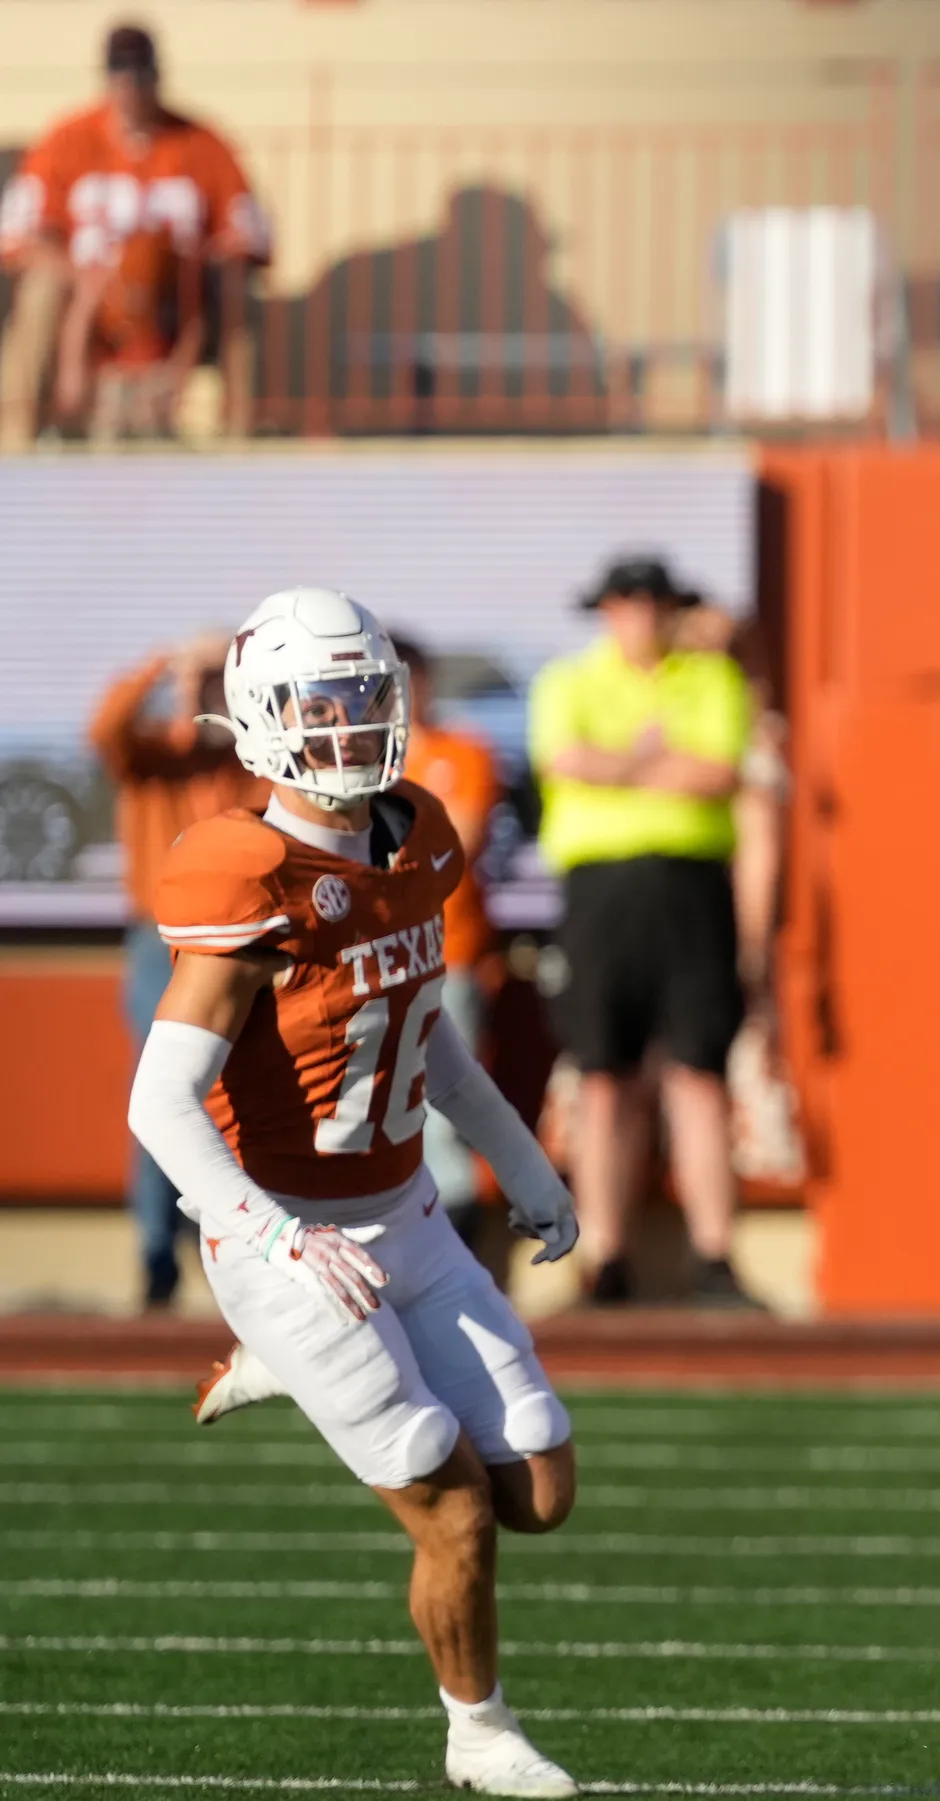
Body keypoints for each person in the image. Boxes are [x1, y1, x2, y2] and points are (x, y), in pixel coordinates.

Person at [127, 588, 583, 1798]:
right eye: (316, 705)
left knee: (537, 1487)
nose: (347, 725)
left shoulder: (418, 833)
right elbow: (158, 1103)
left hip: (405, 1215)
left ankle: (288, 1359)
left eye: (362, 695)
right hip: (284, 1232)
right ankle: (477, 1732)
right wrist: (270, 1238)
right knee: (453, 1510)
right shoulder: (248, 871)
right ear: (260, 719)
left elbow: (427, 1041)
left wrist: (522, 1165)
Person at [527, 556, 755, 1306]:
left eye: (655, 605)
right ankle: (607, 1256)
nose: (642, 621)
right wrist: (654, 758)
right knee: (603, 1077)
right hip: (602, 893)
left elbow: (719, 772)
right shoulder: (568, 680)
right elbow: (565, 759)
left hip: (690, 888)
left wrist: (620, 764)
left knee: (700, 1072)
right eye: (627, 605)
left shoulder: (711, 678)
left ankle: (714, 1255)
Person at [87, 632, 266, 1307]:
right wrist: (165, 661)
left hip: (239, 941)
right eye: (202, 681)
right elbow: (106, 727)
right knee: (160, 1092)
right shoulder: (154, 757)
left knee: (240, 1095)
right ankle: (157, 1251)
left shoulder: (252, 761)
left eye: (218, 680)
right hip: (158, 941)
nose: (204, 694)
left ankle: (228, 1243)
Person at [0, 24, 271, 446]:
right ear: (106, 79)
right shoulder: (67, 140)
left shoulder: (201, 144)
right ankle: (12, 440)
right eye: (120, 76)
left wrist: (187, 268)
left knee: (236, 290)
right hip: (91, 305)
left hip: (175, 307)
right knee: (40, 290)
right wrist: (88, 281)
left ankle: (239, 439)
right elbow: (16, 236)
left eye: (140, 77)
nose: (130, 89)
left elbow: (250, 237)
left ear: (157, 78)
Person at [394, 637, 506, 1244]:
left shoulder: (464, 752)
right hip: (366, 964)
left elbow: (453, 845)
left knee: (442, 1107)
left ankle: (454, 1242)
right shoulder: (352, 762)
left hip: (448, 955)